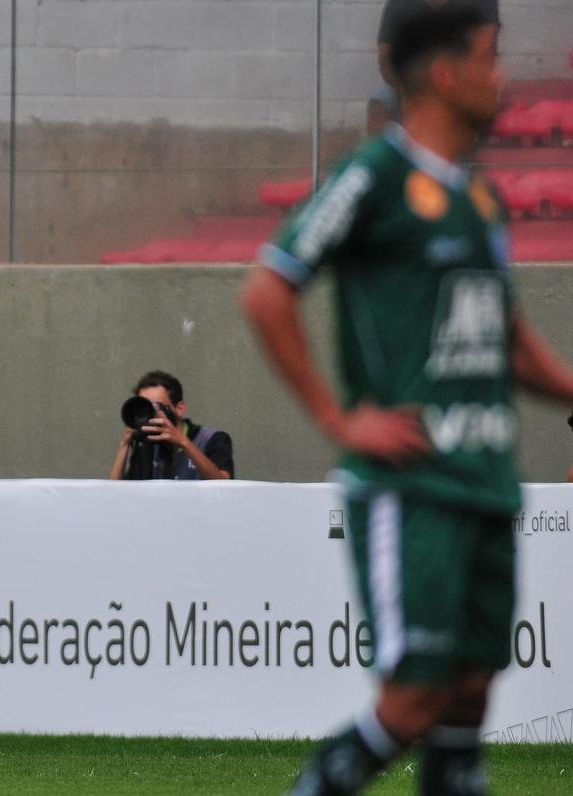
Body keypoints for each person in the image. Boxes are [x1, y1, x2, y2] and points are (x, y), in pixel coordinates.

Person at [242, 7, 573, 794]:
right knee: (413, 697)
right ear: (446, 72)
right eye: (492, 60)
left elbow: (507, 336)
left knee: (467, 696)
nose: (504, 79)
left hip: (485, 480)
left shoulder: (480, 201)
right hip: (413, 485)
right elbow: (266, 290)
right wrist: (336, 417)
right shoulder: (374, 177)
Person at [108, 370, 233, 480]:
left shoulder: (211, 438)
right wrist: (124, 445)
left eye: (156, 406)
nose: (152, 413)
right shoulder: (146, 444)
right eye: (145, 406)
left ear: (179, 408)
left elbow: (223, 484)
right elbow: (115, 493)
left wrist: (183, 442)